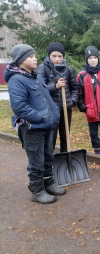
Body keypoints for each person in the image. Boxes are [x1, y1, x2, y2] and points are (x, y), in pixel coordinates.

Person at [4, 44, 66, 204]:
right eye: (31, 56)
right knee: (36, 160)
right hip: (32, 128)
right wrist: (42, 116)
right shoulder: (16, 80)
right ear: (21, 60)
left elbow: (45, 96)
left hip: (45, 126)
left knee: (47, 157)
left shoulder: (35, 76)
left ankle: (48, 183)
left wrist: (53, 113)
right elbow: (19, 107)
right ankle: (37, 190)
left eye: (34, 55)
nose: (35, 58)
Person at [37, 42, 79, 153]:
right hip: (51, 110)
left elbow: (75, 88)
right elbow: (40, 89)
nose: (57, 59)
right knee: (51, 137)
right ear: (49, 56)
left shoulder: (68, 70)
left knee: (65, 136)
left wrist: (72, 101)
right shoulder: (42, 68)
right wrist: (55, 86)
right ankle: (50, 162)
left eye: (60, 56)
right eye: (54, 56)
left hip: (66, 109)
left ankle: (64, 159)